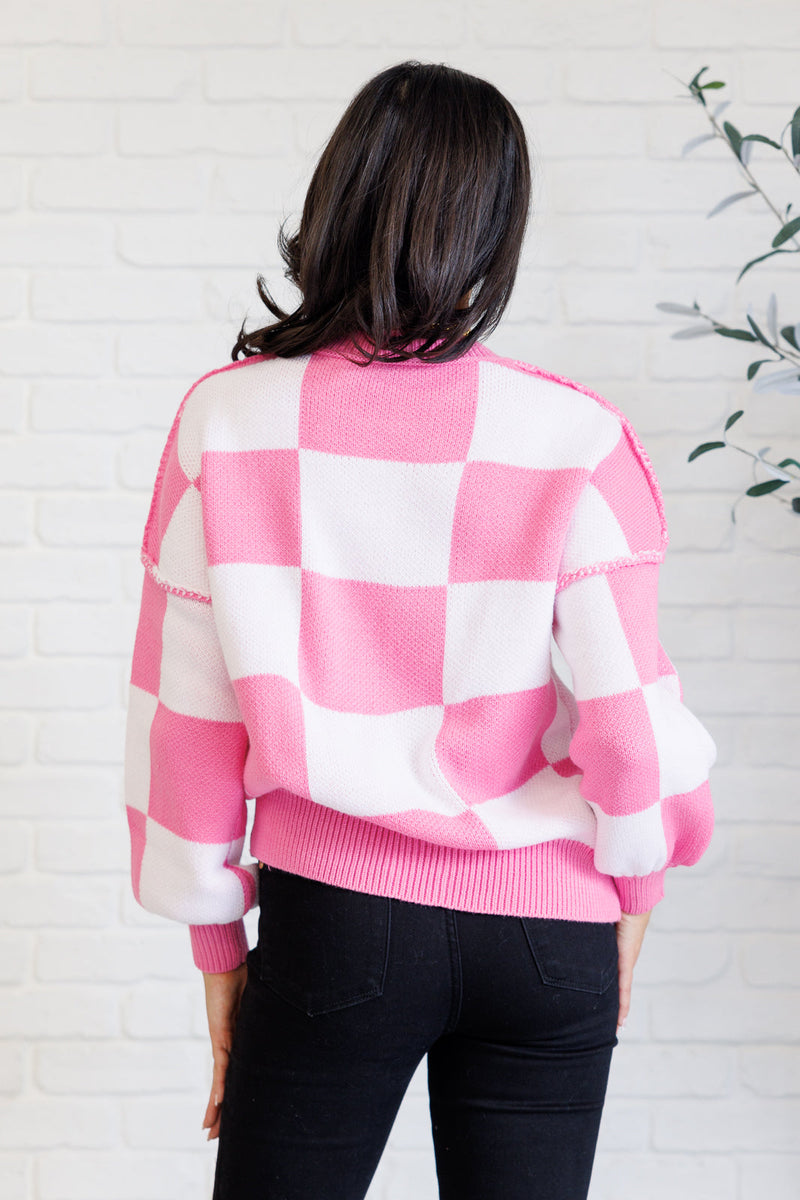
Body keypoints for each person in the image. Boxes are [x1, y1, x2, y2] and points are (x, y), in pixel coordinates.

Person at [123, 60, 717, 1200]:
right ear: (495, 229)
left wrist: (216, 947)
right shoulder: (577, 438)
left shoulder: (227, 421)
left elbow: (186, 713)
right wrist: (635, 889)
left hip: (337, 928)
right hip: (549, 935)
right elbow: (629, 719)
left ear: (339, 198)